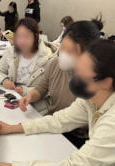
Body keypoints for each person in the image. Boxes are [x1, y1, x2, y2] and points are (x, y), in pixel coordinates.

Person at [19, 18, 104, 147]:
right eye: (62, 47)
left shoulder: (96, 81)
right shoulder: (55, 64)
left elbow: (73, 120)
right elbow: (42, 88)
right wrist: (30, 96)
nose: (63, 54)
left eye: (70, 51)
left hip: (78, 137)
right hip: (53, 125)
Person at [0, 18, 57, 114]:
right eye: (18, 37)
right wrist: (4, 80)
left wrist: (25, 91)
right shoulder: (11, 51)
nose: (21, 41)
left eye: (26, 37)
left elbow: (51, 89)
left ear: (36, 36)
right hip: (12, 97)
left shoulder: (49, 58)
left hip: (36, 105)